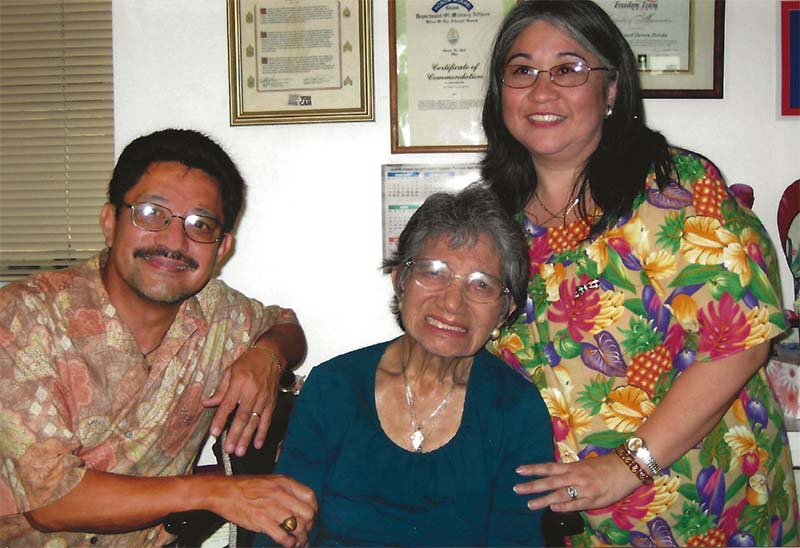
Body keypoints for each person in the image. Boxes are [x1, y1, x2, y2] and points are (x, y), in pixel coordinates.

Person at [481, 1, 799, 546]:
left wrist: (625, 467)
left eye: (568, 68)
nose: (541, 89)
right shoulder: (496, 224)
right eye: (522, 69)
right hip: (574, 525)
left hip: (707, 511)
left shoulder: (671, 190)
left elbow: (741, 342)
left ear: (610, 91)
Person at [0, 129, 316, 547]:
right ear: (110, 223)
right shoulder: (23, 316)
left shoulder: (219, 313)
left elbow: (285, 325)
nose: (173, 241)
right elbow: (52, 499)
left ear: (221, 249)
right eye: (151, 213)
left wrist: (268, 355)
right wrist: (216, 494)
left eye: (200, 224)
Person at [255, 184, 553, 546]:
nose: (452, 303)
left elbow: (515, 540)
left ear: (505, 311)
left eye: (481, 285)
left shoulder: (516, 409)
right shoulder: (333, 387)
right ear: (400, 281)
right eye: (434, 272)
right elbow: (281, 525)